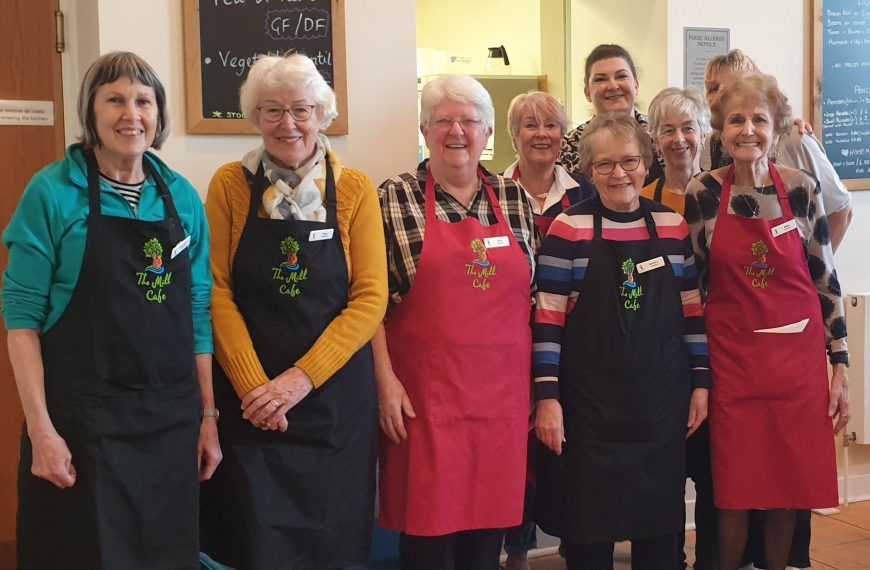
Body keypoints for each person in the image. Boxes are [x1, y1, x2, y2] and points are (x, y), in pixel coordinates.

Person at [2, 51, 220, 569]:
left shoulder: (182, 198)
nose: (131, 114)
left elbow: (197, 314)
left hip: (168, 422)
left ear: (158, 113)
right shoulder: (53, 192)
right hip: (83, 425)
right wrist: (41, 431)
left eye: (144, 101)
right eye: (115, 100)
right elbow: (22, 322)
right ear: (91, 112)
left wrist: (207, 417)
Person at [199, 54, 387, 569]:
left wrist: (298, 381)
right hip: (251, 404)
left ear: (322, 114)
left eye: (301, 109)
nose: (288, 124)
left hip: (333, 405)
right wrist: (253, 387)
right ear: (255, 117)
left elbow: (370, 298)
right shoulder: (229, 185)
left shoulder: (355, 189)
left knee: (330, 546)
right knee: (252, 544)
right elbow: (215, 291)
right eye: (273, 110)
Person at [683, 73, 849, 570]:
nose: (748, 129)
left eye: (759, 119)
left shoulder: (800, 188)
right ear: (721, 129)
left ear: (776, 128)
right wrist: (695, 370)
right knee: (733, 491)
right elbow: (694, 289)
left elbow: (825, 280)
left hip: (796, 367)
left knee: (786, 491)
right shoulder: (703, 193)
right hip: (732, 365)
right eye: (736, 120)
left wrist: (840, 365)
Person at [534, 112, 710, 570]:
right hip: (589, 414)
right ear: (589, 171)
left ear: (645, 164)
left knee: (659, 540)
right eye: (605, 164)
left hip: (659, 409)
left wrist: (701, 383)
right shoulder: (567, 229)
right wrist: (547, 399)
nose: (619, 174)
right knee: (589, 541)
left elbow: (692, 313)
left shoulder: (672, 226)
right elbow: (547, 322)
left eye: (629, 161)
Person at [376, 74, 538, 570]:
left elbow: (535, 300)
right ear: (425, 130)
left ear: (487, 132)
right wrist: (384, 382)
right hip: (425, 403)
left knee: (486, 542)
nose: (457, 132)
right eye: (444, 120)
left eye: (469, 121)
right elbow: (367, 304)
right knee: (428, 542)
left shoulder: (515, 199)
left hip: (502, 403)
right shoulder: (394, 197)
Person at [501, 90, 595, 570]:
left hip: (574, 342)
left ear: (564, 135)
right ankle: (517, 552)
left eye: (551, 125)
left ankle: (575, 545)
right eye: (530, 125)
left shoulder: (586, 192)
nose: (542, 134)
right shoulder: (493, 193)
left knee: (571, 449)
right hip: (512, 340)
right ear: (513, 135)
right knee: (519, 455)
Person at [643, 86, 718, 570]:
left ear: (704, 133)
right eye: (667, 130)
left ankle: (713, 559)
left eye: (688, 128)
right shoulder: (643, 197)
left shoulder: (722, 192)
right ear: (654, 139)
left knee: (712, 472)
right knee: (664, 471)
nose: (679, 139)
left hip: (717, 346)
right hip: (662, 351)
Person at [702, 49, 852, 252]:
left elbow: (841, 211)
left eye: (730, 86)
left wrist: (813, 264)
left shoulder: (795, 139)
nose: (719, 95)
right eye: (712, 88)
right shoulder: (710, 146)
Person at [559, 44, 664, 184]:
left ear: (636, 85)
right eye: (601, 79)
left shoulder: (661, 134)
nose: (613, 86)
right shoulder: (568, 146)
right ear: (587, 92)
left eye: (621, 76)